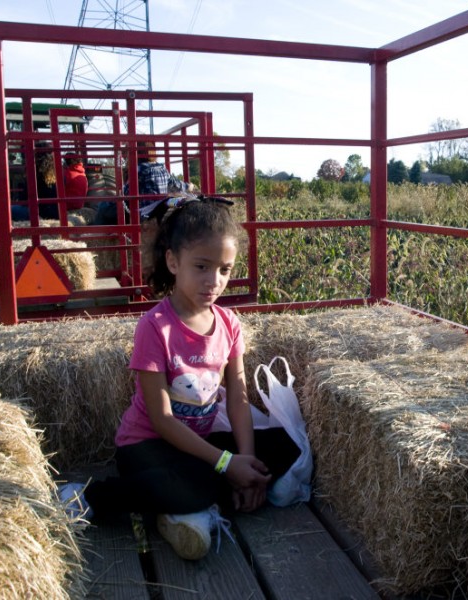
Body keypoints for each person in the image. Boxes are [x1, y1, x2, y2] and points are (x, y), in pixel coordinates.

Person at [59, 196, 300, 560]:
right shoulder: (155, 327)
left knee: (288, 445)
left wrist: (246, 463)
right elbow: (162, 419)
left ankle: (191, 508)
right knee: (196, 485)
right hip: (148, 448)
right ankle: (90, 497)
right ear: (173, 261)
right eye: (201, 266)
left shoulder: (229, 324)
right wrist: (225, 464)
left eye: (224, 269)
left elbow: (237, 398)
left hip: (197, 447)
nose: (213, 281)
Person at [93, 142, 195, 225]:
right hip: (158, 209)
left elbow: (125, 195)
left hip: (142, 213)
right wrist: (188, 186)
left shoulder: (139, 170)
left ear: (136, 154)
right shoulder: (162, 169)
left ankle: (97, 232)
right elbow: (175, 183)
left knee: (104, 206)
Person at [11, 149, 60, 221]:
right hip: (56, 213)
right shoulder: (58, 173)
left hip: (39, 213)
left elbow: (24, 199)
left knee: (8, 210)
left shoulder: (35, 174)